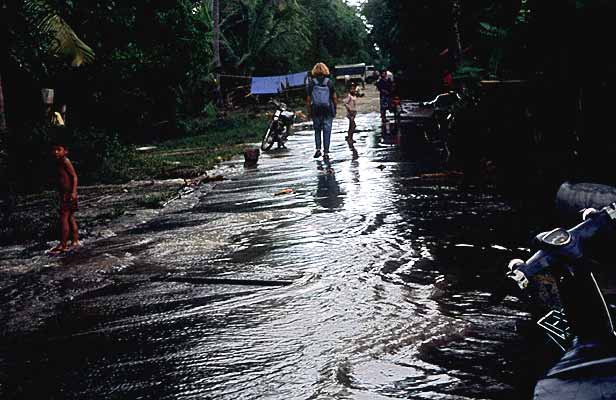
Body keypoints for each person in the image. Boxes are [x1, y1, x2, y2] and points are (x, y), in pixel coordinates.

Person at [50, 142, 80, 254]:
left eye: (59, 149)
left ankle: (63, 244)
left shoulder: (65, 161)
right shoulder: (58, 162)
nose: (56, 152)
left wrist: (74, 192)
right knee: (70, 217)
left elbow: (74, 176)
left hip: (68, 194)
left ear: (65, 151)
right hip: (65, 193)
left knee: (64, 218)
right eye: (54, 149)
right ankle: (75, 240)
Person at [306, 62, 337, 160]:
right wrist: (334, 109)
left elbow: (308, 99)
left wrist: (309, 111)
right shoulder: (329, 82)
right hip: (327, 109)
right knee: (327, 131)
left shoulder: (311, 82)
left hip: (316, 109)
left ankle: (318, 149)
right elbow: (334, 97)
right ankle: (326, 152)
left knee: (317, 130)